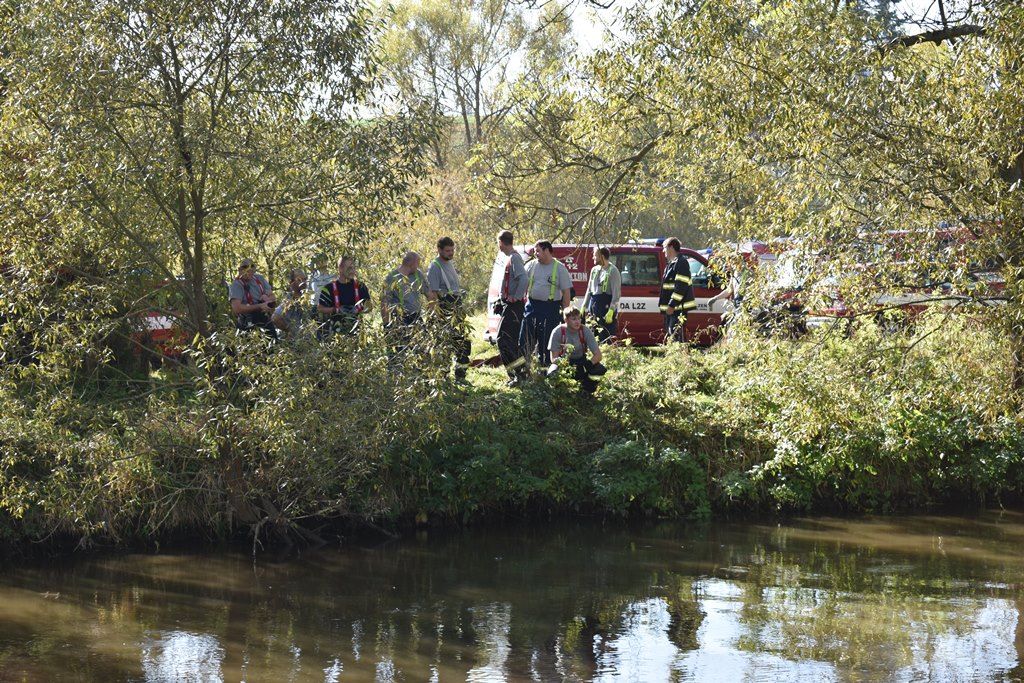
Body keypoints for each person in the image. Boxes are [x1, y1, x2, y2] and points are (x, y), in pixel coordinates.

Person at [521, 240, 573, 368]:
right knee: (524, 339)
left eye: (538, 251)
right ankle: (523, 370)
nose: (536, 254)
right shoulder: (531, 265)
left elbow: (566, 293)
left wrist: (567, 314)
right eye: (535, 251)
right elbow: (522, 285)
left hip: (550, 309)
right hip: (531, 307)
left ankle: (545, 371)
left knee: (546, 342)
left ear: (547, 251)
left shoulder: (560, 268)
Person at [427, 236, 471, 382]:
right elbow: (432, 294)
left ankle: (461, 375)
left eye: (452, 250)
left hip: (456, 306)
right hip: (445, 308)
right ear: (439, 250)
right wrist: (436, 314)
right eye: (447, 250)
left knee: (462, 342)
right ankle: (444, 376)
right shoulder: (435, 267)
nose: (451, 253)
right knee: (446, 343)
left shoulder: (449, 263)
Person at [495, 230, 528, 384]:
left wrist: (515, 297)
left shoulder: (514, 258)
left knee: (504, 340)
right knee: (507, 341)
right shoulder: (510, 258)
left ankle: (519, 375)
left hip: (514, 307)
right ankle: (518, 375)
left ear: (501, 242)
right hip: (509, 305)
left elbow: (523, 279)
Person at [547, 307, 605, 393]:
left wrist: (587, 365)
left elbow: (598, 355)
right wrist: (563, 365)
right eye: (574, 319)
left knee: (599, 369)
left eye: (579, 318)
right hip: (564, 363)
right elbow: (553, 358)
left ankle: (587, 392)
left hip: (581, 362)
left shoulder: (585, 330)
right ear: (566, 320)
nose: (577, 321)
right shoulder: (557, 331)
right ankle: (560, 394)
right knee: (552, 372)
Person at [383, 251, 428, 363]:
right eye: (417, 263)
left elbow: (429, 294)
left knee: (424, 349)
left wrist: (434, 313)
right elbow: (384, 303)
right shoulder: (391, 278)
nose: (418, 266)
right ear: (411, 264)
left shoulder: (418, 274)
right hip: (399, 320)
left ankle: (423, 376)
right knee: (399, 354)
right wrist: (386, 326)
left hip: (416, 318)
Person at [317, 256, 371, 337]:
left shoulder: (360, 286)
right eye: (349, 268)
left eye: (353, 268)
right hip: (335, 335)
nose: (352, 271)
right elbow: (320, 308)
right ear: (340, 269)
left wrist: (358, 309)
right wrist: (336, 310)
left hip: (357, 332)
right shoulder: (329, 288)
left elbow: (369, 307)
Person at [581, 247, 621, 343]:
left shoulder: (613, 271)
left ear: (601, 256)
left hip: (606, 309)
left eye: (595, 255)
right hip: (594, 307)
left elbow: (616, 294)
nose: (593, 258)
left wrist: (611, 310)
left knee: (606, 338)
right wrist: (584, 305)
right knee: (593, 337)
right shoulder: (594, 270)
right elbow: (589, 290)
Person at [660, 238, 696, 343]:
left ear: (671, 247)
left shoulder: (681, 263)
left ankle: (680, 358)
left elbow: (681, 287)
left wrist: (671, 304)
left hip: (678, 308)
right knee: (671, 335)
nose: (663, 251)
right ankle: (675, 357)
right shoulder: (671, 264)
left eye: (664, 248)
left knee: (677, 336)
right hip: (672, 309)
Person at [229, 258, 277, 336]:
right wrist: (260, 306)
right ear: (239, 270)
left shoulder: (259, 279)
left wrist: (267, 299)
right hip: (247, 322)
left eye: (251, 271)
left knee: (274, 344)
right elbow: (236, 308)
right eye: (246, 270)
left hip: (264, 319)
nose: (248, 273)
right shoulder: (236, 285)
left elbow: (273, 297)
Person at [272, 268, 309, 337]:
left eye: (305, 279)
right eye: (299, 280)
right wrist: (291, 332)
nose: (303, 282)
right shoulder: (289, 300)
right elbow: (275, 318)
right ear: (291, 283)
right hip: (293, 343)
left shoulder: (307, 298)